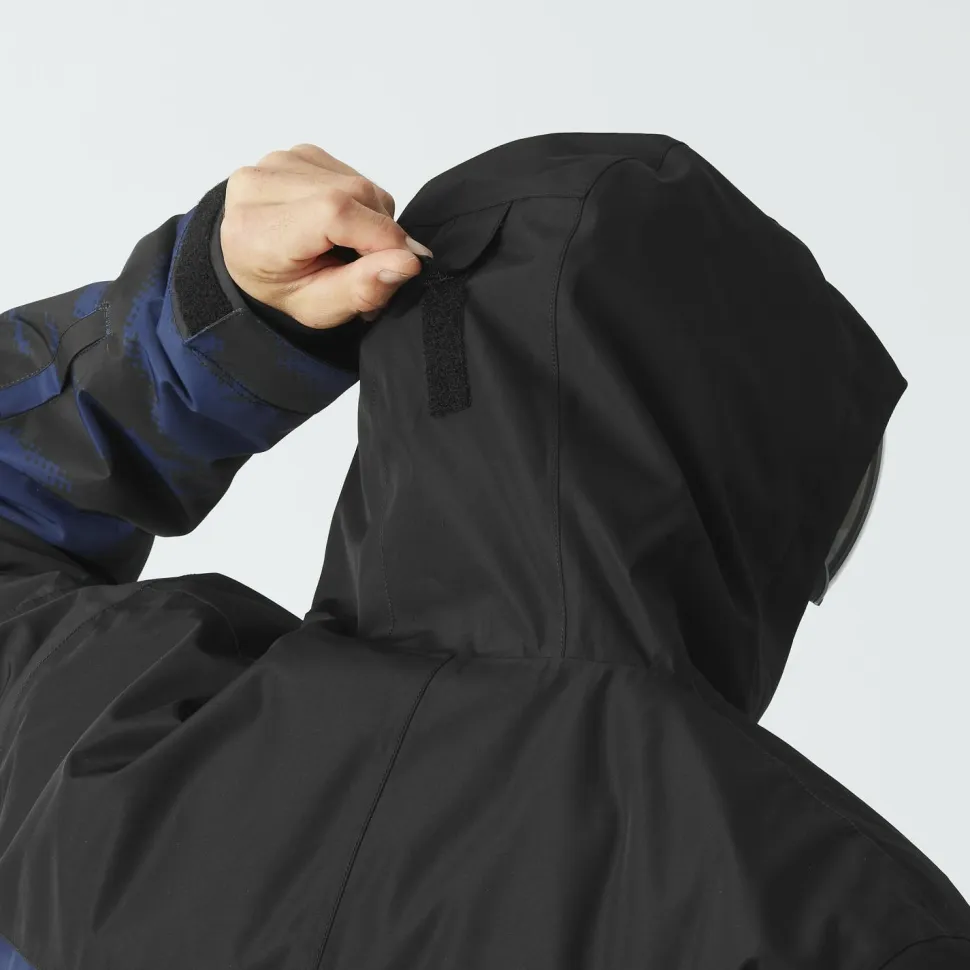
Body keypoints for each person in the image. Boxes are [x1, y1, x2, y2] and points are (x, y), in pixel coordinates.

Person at [0, 134, 968, 969]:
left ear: (414, 368)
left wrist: (211, 315)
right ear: (758, 497)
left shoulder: (100, 725)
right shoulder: (843, 916)